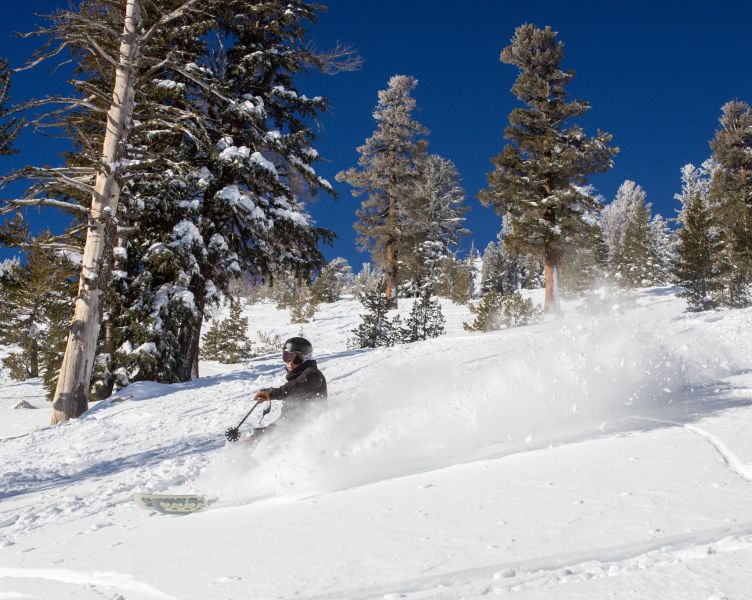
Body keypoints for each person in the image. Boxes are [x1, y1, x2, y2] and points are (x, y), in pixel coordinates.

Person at [249, 337, 327, 440]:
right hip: (293, 430)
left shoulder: (313, 374)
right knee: (254, 436)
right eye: (286, 357)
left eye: (296, 358)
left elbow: (296, 387)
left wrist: (271, 393)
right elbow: (286, 419)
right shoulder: (296, 378)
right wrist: (265, 431)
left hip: (310, 434)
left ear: (306, 358)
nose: (290, 362)